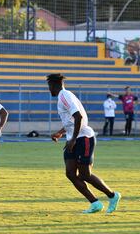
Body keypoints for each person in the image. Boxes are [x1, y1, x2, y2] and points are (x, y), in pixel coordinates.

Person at [47, 73, 121, 214]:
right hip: (73, 138)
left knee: (85, 174)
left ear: (52, 85)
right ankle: (95, 203)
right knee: (70, 173)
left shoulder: (64, 96)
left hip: (83, 138)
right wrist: (61, 132)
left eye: (49, 87)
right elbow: (72, 120)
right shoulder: (64, 96)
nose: (49, 90)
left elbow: (79, 117)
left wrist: (73, 139)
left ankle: (113, 196)